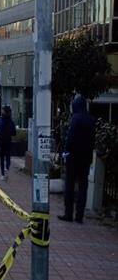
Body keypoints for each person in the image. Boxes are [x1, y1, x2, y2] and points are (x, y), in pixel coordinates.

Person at [59, 96, 95, 224]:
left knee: (70, 184)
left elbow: (70, 137)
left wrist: (66, 151)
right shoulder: (91, 120)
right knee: (83, 186)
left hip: (73, 157)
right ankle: (79, 216)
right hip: (86, 158)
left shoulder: (75, 119)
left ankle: (68, 214)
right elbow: (93, 140)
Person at [0, 106, 16, 181]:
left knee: (2, 158)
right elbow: (14, 133)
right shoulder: (11, 121)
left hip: (2, 141)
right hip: (8, 140)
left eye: (2, 110)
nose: (1, 111)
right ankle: (7, 168)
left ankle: (2, 174)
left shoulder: (1, 121)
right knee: (8, 157)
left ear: (4, 112)